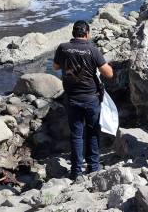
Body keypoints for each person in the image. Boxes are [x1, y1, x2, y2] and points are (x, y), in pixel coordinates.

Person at [53, 20, 113, 182]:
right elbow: (109, 74)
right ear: (87, 34)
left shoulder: (63, 48)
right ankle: (93, 168)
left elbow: (56, 67)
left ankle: (76, 172)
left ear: (73, 33)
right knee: (93, 132)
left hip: (72, 98)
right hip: (91, 98)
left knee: (76, 135)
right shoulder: (92, 50)